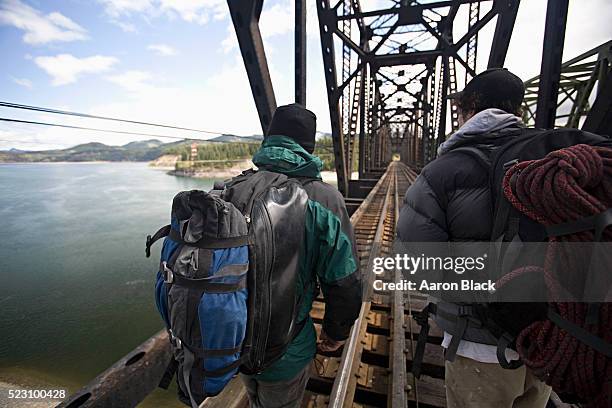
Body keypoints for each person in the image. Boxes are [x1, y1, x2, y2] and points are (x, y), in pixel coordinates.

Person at [396, 68, 552, 407]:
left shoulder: (444, 170)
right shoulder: (550, 161)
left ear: (472, 106)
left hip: (481, 348)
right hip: (548, 342)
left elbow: (418, 266)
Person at [240, 103, 362, 408]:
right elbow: (345, 281)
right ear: (308, 146)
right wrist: (335, 333)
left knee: (253, 395)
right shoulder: (322, 198)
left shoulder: (237, 188)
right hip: (286, 350)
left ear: (269, 140)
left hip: (234, 346)